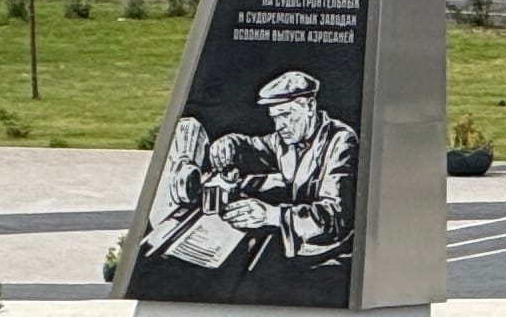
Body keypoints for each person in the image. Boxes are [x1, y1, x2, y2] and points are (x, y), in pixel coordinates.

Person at [139, 69, 358, 288]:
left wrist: (270, 215)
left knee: (245, 280)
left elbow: (335, 217)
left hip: (328, 256)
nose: (279, 126)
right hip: (298, 246)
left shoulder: (341, 142)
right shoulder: (286, 140)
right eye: (275, 118)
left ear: (309, 106)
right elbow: (254, 147)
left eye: (285, 115)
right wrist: (231, 144)